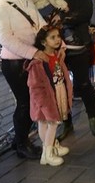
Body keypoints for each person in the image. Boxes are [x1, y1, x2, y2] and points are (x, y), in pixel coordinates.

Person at [0, 0, 48, 160]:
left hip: (32, 59)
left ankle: (20, 140)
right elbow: (5, 38)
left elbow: (41, 25)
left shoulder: (26, 2)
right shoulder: (0, 6)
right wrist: (34, 52)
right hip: (14, 62)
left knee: (31, 101)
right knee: (25, 102)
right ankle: (21, 144)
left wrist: (53, 43)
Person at [52, 0, 95, 139]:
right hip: (55, 48)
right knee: (61, 86)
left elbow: (85, 13)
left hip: (78, 43)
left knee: (83, 83)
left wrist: (63, 20)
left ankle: (93, 118)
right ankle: (66, 123)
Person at [26, 25, 72, 166]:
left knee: (46, 123)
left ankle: (53, 145)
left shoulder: (56, 56)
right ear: (44, 42)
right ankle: (47, 154)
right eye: (53, 37)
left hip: (55, 92)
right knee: (51, 123)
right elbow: (35, 85)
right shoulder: (38, 62)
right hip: (46, 98)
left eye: (58, 36)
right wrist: (43, 102)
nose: (57, 40)